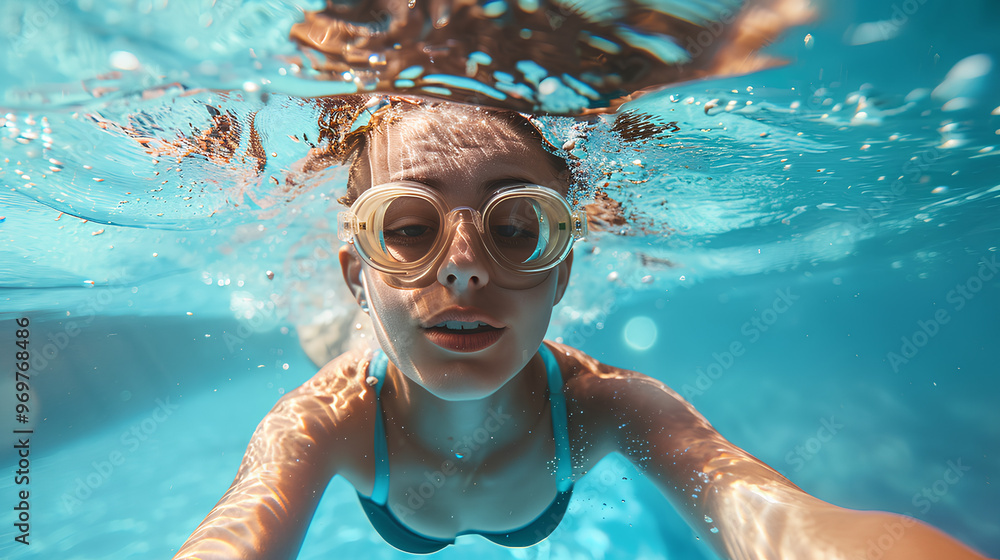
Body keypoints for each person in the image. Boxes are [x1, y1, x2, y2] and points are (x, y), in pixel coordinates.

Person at [173, 97, 990, 560]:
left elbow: (781, 519)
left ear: (562, 268)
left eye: (518, 225)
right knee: (347, 348)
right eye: (409, 228)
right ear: (359, 272)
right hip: (362, 353)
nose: (463, 268)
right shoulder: (322, 422)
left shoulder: (611, 406)